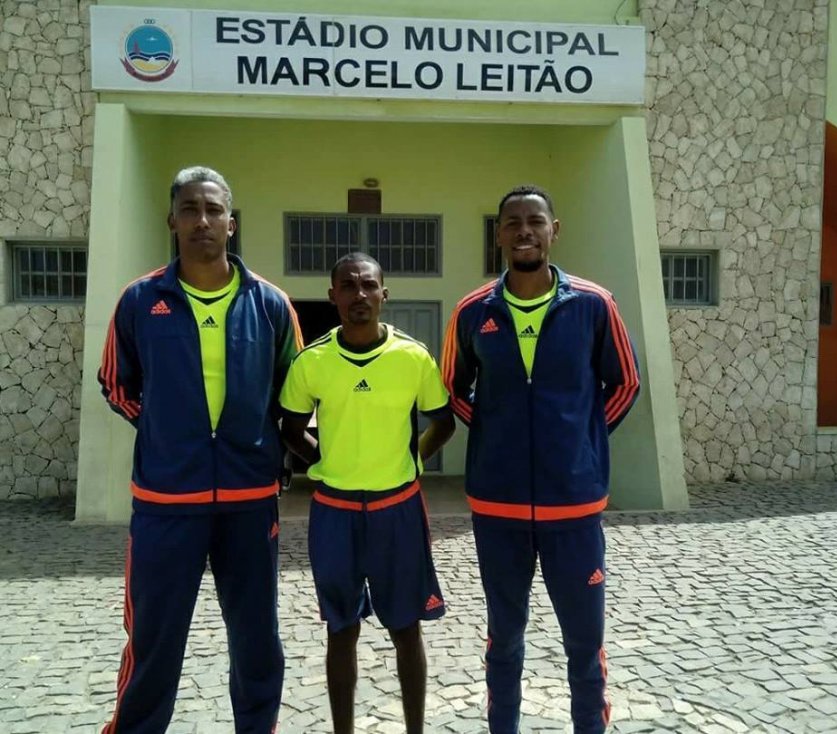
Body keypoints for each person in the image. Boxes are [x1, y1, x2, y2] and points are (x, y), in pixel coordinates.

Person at [98, 166, 302, 733]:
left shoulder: (270, 303)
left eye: (213, 211)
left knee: (257, 638)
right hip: (167, 501)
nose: (202, 221)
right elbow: (117, 382)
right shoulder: (142, 300)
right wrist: (166, 429)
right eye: (190, 210)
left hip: (249, 499)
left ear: (231, 224)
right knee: (154, 639)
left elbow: (294, 391)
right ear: (173, 221)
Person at [441, 185, 640, 734]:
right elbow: (452, 389)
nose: (524, 230)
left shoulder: (593, 305)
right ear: (499, 233)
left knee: (584, 639)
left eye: (535, 220)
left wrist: (580, 439)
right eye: (512, 222)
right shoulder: (472, 311)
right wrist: (496, 434)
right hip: (497, 504)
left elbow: (624, 382)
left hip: (572, 505)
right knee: (504, 634)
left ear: (555, 230)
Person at [281, 252, 455, 734]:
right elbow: (291, 429)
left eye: (368, 285)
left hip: (396, 509)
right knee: (342, 629)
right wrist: (323, 460)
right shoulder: (312, 361)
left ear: (384, 294)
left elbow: (443, 422)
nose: (359, 295)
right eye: (348, 286)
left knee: (405, 627)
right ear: (332, 295)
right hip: (333, 511)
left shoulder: (413, 357)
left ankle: (416, 729)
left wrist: (412, 459)